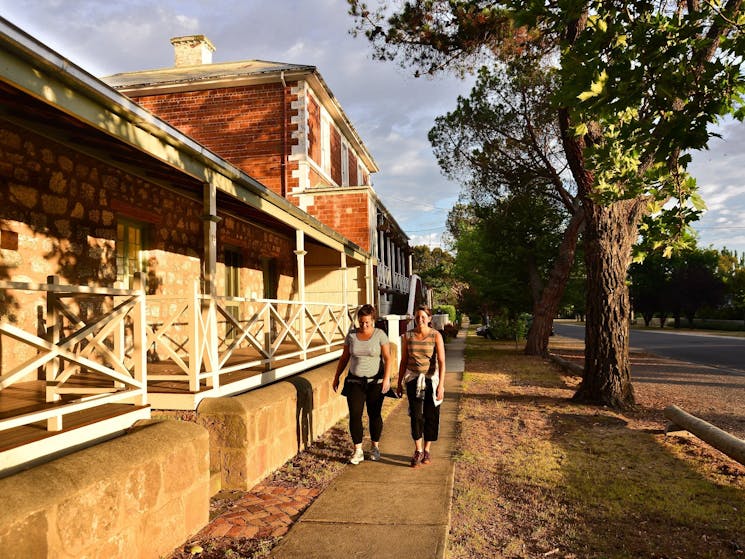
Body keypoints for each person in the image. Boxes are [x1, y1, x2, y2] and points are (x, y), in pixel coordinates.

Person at [332, 304, 392, 464]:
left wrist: (387, 379)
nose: (364, 325)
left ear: (373, 320)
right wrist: (337, 376)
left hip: (375, 382)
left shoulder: (380, 335)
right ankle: (358, 450)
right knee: (355, 415)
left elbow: (388, 358)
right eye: (361, 322)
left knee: (374, 414)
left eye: (367, 322)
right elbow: (344, 357)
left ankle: (374, 447)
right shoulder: (351, 335)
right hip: (355, 382)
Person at [397, 304, 446, 468]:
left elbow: (442, 361)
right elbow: (403, 361)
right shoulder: (408, 336)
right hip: (413, 379)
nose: (420, 320)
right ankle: (417, 450)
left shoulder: (435, 335)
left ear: (429, 318)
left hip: (431, 380)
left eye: (423, 317)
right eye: (417, 317)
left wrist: (441, 386)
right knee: (416, 416)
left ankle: (427, 450)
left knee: (431, 416)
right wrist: (399, 383)